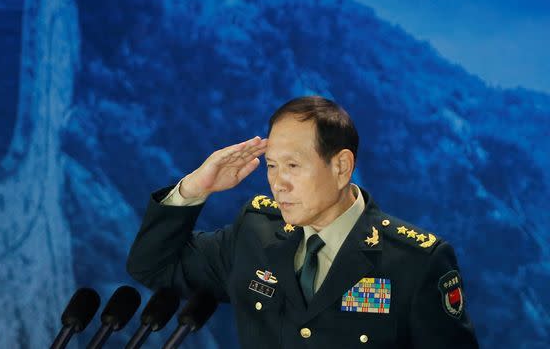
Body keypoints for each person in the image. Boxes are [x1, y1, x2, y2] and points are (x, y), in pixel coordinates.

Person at [126, 96, 478, 348]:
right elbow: (153, 267)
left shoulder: (415, 262)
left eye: (293, 166)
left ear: (341, 167)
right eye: (271, 166)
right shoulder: (256, 232)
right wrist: (194, 188)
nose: (278, 183)